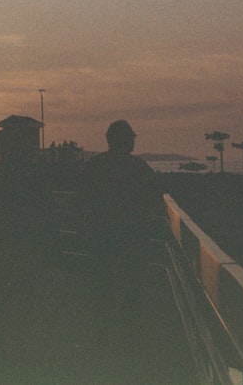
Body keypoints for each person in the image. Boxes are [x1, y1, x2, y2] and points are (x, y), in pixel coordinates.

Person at [78, 120, 163, 380]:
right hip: (132, 241)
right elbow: (155, 197)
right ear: (126, 141)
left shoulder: (94, 167)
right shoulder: (139, 168)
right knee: (131, 293)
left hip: (102, 240)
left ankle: (102, 339)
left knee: (102, 291)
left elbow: (84, 201)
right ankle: (130, 342)